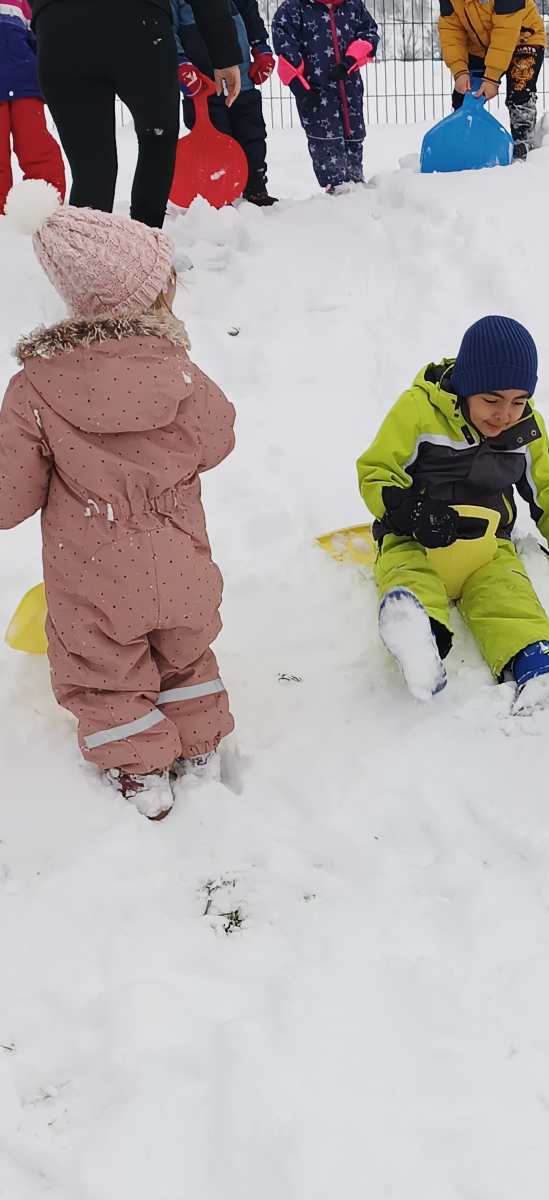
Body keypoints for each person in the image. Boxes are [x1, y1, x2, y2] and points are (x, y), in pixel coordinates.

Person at [0, 179, 236, 820]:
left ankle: (140, 770)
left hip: (93, 574)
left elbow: (10, 497)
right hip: (182, 558)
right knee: (186, 654)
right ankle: (200, 745)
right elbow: (218, 440)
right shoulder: (180, 371)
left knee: (103, 671)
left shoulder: (34, 389)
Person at [357, 316, 549, 715]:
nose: (505, 415)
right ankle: (420, 644)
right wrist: (409, 512)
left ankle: (541, 668)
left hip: (486, 545)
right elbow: (376, 471)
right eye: (492, 400)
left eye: (519, 401)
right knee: (411, 578)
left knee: (508, 597)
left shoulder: (526, 430)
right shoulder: (418, 411)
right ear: (466, 386)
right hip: (414, 536)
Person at [30, 0, 242, 228]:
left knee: (91, 169)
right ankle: (145, 241)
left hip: (61, 28)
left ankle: (88, 249)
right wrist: (224, 52)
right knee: (157, 140)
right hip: (141, 23)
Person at [173, 0, 277, 206]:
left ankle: (255, 183)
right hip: (201, 82)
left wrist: (260, 45)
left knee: (252, 132)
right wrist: (180, 60)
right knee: (213, 137)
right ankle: (218, 191)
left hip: (241, 77)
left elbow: (249, 10)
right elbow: (168, 26)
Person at [272, 0, 378, 193]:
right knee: (324, 141)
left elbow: (369, 34)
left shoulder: (352, 5)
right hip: (316, 91)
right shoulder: (293, 9)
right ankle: (334, 187)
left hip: (349, 86)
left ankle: (355, 181)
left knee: (354, 134)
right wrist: (300, 88)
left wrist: (351, 60)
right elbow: (286, 52)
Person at [437, 0, 546, 161]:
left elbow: (506, 30)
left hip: (523, 38)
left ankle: (523, 148)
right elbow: (451, 29)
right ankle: (467, 148)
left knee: (519, 91)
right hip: (481, 47)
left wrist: (491, 77)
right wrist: (459, 71)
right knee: (464, 95)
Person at [0, 0, 66, 211]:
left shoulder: (21, 3)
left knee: (36, 147)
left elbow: (38, 40)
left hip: (25, 86)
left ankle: (46, 207)